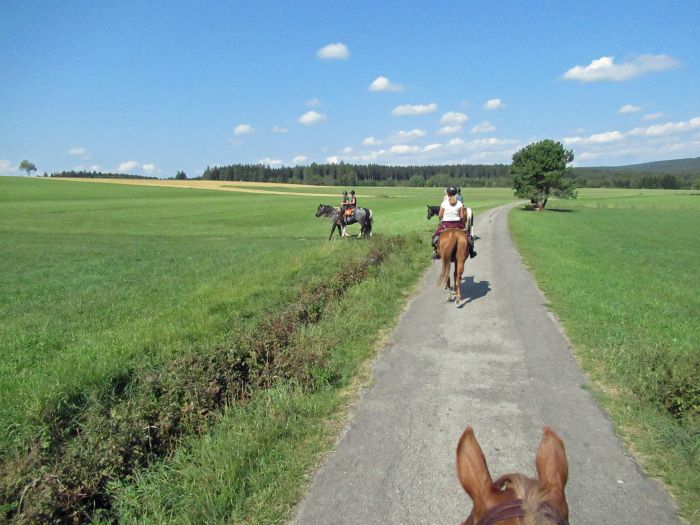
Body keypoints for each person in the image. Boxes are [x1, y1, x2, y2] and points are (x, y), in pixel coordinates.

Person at [431, 186, 465, 259]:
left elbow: (440, 215)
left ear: (448, 193)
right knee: (468, 236)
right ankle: (471, 250)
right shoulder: (460, 203)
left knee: (434, 236)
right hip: (458, 224)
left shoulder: (444, 203)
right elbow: (462, 216)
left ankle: (436, 252)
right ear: (456, 193)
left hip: (445, 224)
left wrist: (442, 218)